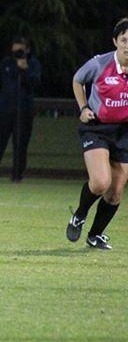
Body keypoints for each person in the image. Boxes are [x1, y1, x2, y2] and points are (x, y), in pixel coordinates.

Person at [65, 18, 128, 250]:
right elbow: (78, 80)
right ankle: (79, 215)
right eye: (124, 40)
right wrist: (83, 108)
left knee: (115, 192)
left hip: (124, 131)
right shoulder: (100, 64)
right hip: (98, 127)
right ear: (115, 41)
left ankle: (95, 235)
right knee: (101, 182)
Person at [0, 36, 41, 183]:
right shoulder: (6, 63)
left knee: (20, 145)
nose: (18, 52)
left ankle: (17, 174)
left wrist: (25, 69)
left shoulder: (33, 64)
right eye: (15, 48)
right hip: (5, 110)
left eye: (21, 49)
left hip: (24, 111)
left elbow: (35, 84)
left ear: (27, 49)